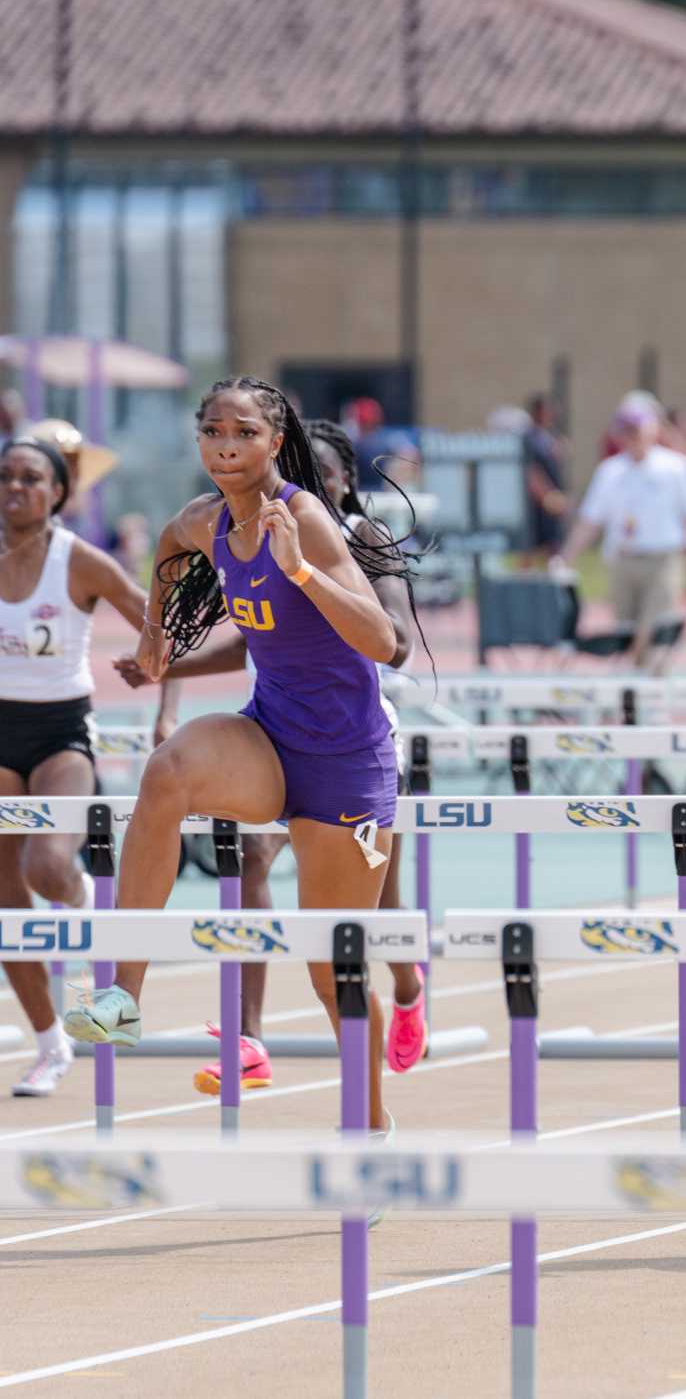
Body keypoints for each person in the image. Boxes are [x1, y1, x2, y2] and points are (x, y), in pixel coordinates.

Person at [63, 377, 412, 1144]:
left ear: (274, 442)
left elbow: (386, 643)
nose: (226, 445)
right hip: (270, 736)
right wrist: (158, 636)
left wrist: (304, 573)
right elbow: (165, 542)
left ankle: (372, 1127)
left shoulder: (308, 521)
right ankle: (123, 996)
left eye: (244, 432)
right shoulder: (205, 521)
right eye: (213, 431)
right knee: (167, 774)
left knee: (334, 971)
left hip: (347, 762)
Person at [0, 436, 153, 1096]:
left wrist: (161, 690)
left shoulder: (80, 561)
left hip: (62, 733)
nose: (13, 488)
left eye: (29, 477)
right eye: (4, 476)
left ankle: (88, 905)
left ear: (58, 492)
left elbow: (158, 621)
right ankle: (50, 1043)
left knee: (46, 866)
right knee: (5, 896)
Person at [556, 393, 686, 672]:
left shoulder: (675, 467)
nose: (632, 436)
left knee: (655, 629)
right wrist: (566, 556)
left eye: (637, 428)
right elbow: (590, 521)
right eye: (627, 430)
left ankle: (653, 696)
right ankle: (636, 700)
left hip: (663, 559)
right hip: (624, 559)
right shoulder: (611, 471)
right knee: (626, 634)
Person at [520, 393, 569, 565]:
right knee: (530, 549)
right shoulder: (528, 438)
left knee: (554, 547)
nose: (552, 414)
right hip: (536, 505)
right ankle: (523, 586)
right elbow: (529, 470)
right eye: (548, 410)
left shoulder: (550, 437)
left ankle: (552, 582)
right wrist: (547, 496)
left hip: (553, 501)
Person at [345, 397, 419, 492]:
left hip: (383, 491)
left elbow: (411, 455)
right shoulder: (350, 439)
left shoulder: (387, 438)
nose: (367, 428)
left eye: (370, 424)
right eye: (363, 424)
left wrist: (394, 477)